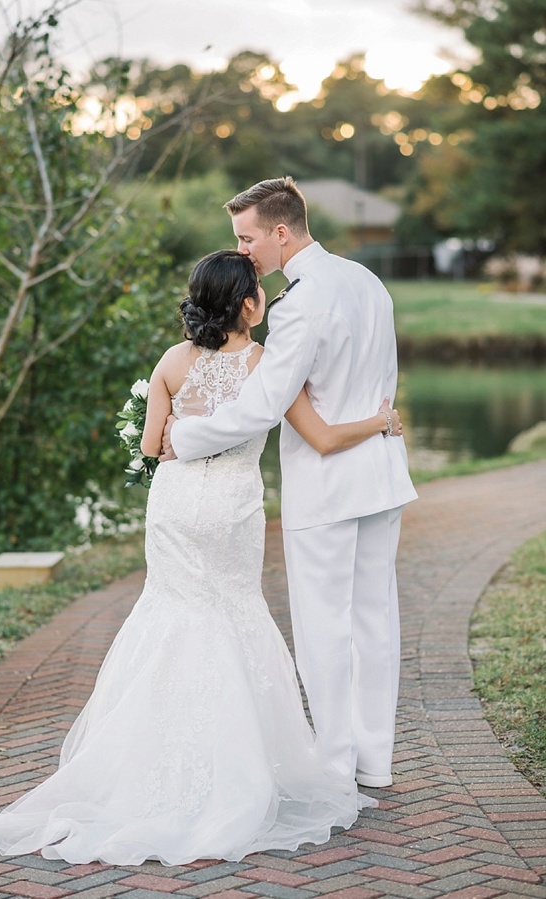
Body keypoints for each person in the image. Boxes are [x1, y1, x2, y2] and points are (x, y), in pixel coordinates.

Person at [0, 250, 403, 867]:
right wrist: (381, 421)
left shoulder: (172, 361)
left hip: (174, 507)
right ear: (250, 303)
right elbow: (325, 437)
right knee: (233, 612)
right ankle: (240, 762)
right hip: (231, 509)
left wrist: (171, 432)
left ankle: (150, 758)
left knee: (169, 611)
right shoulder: (268, 364)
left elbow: (152, 448)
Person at [162, 178, 418, 790]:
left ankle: (334, 765)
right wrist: (380, 423)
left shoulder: (301, 300)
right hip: (382, 470)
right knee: (376, 619)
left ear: (281, 232)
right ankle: (374, 762)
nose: (244, 251)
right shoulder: (368, 282)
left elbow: (263, 404)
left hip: (329, 486)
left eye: (247, 238)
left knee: (325, 625)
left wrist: (185, 438)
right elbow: (384, 378)